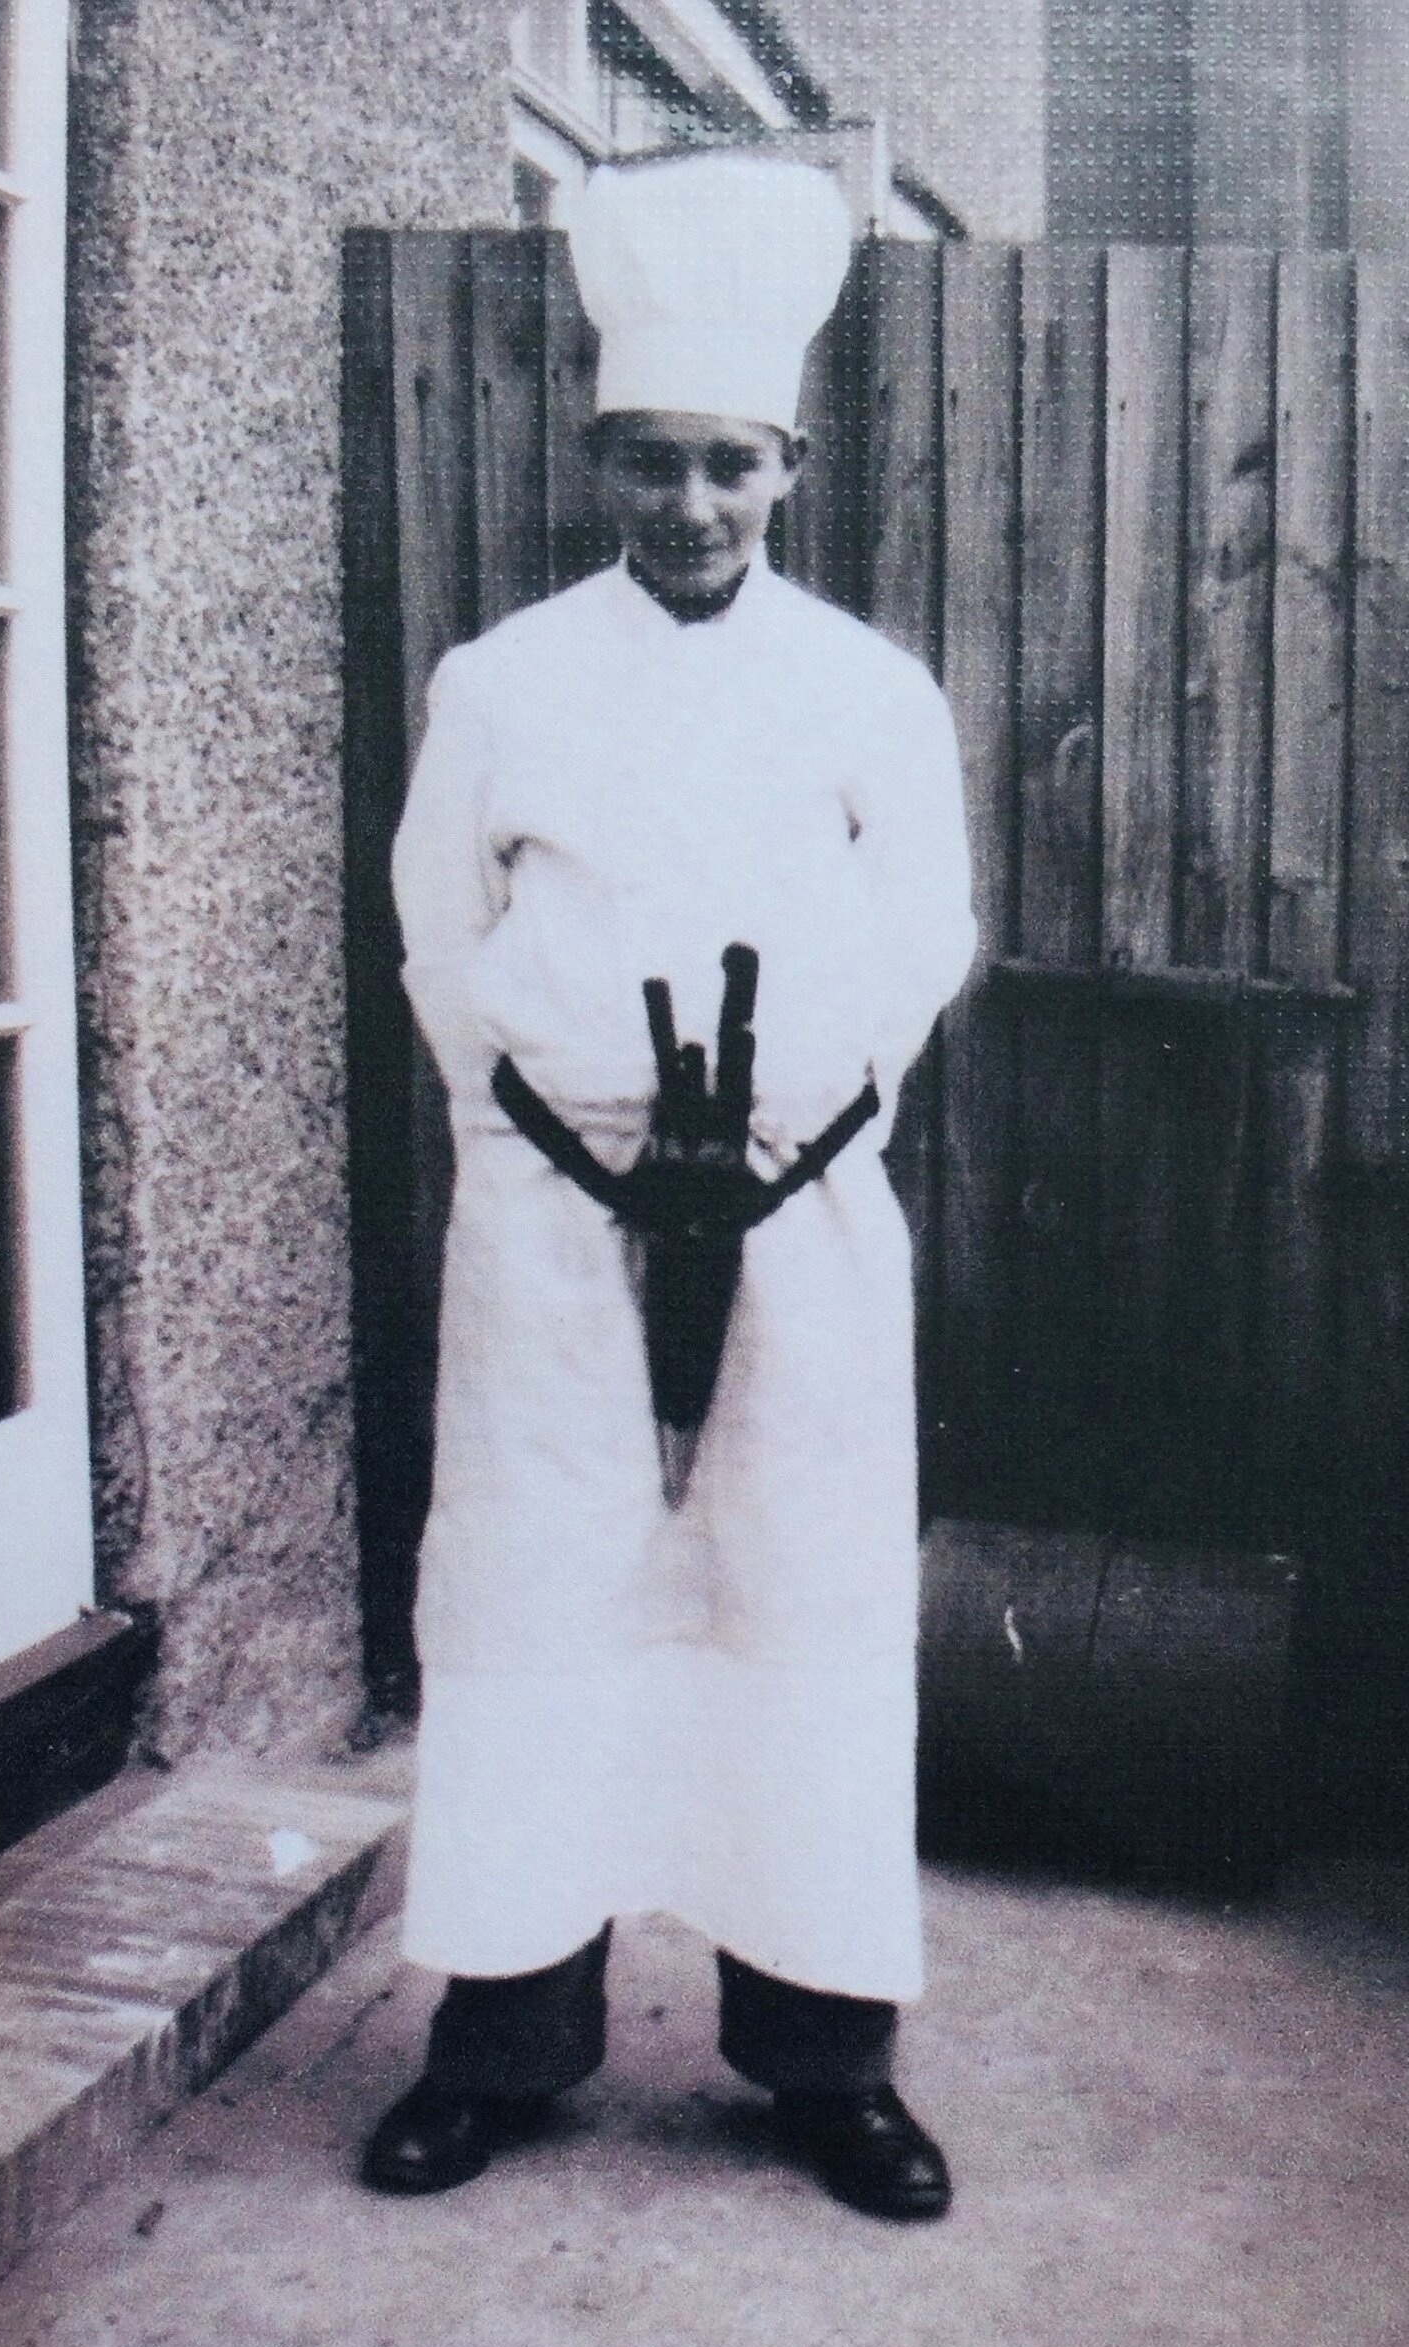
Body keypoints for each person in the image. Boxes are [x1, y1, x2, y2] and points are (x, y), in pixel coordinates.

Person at [363, 150, 978, 2220]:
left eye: (727, 464)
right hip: (550, 1228)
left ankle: (822, 2062)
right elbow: (438, 934)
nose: (690, 506)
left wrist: (802, 1133)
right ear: (602, 463)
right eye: (651, 466)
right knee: (538, 1602)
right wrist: (547, 1140)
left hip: (800, 1221)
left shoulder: (869, 694)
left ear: (785, 465)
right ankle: (504, 2044)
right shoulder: (502, 681)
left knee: (795, 1606)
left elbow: (927, 939)